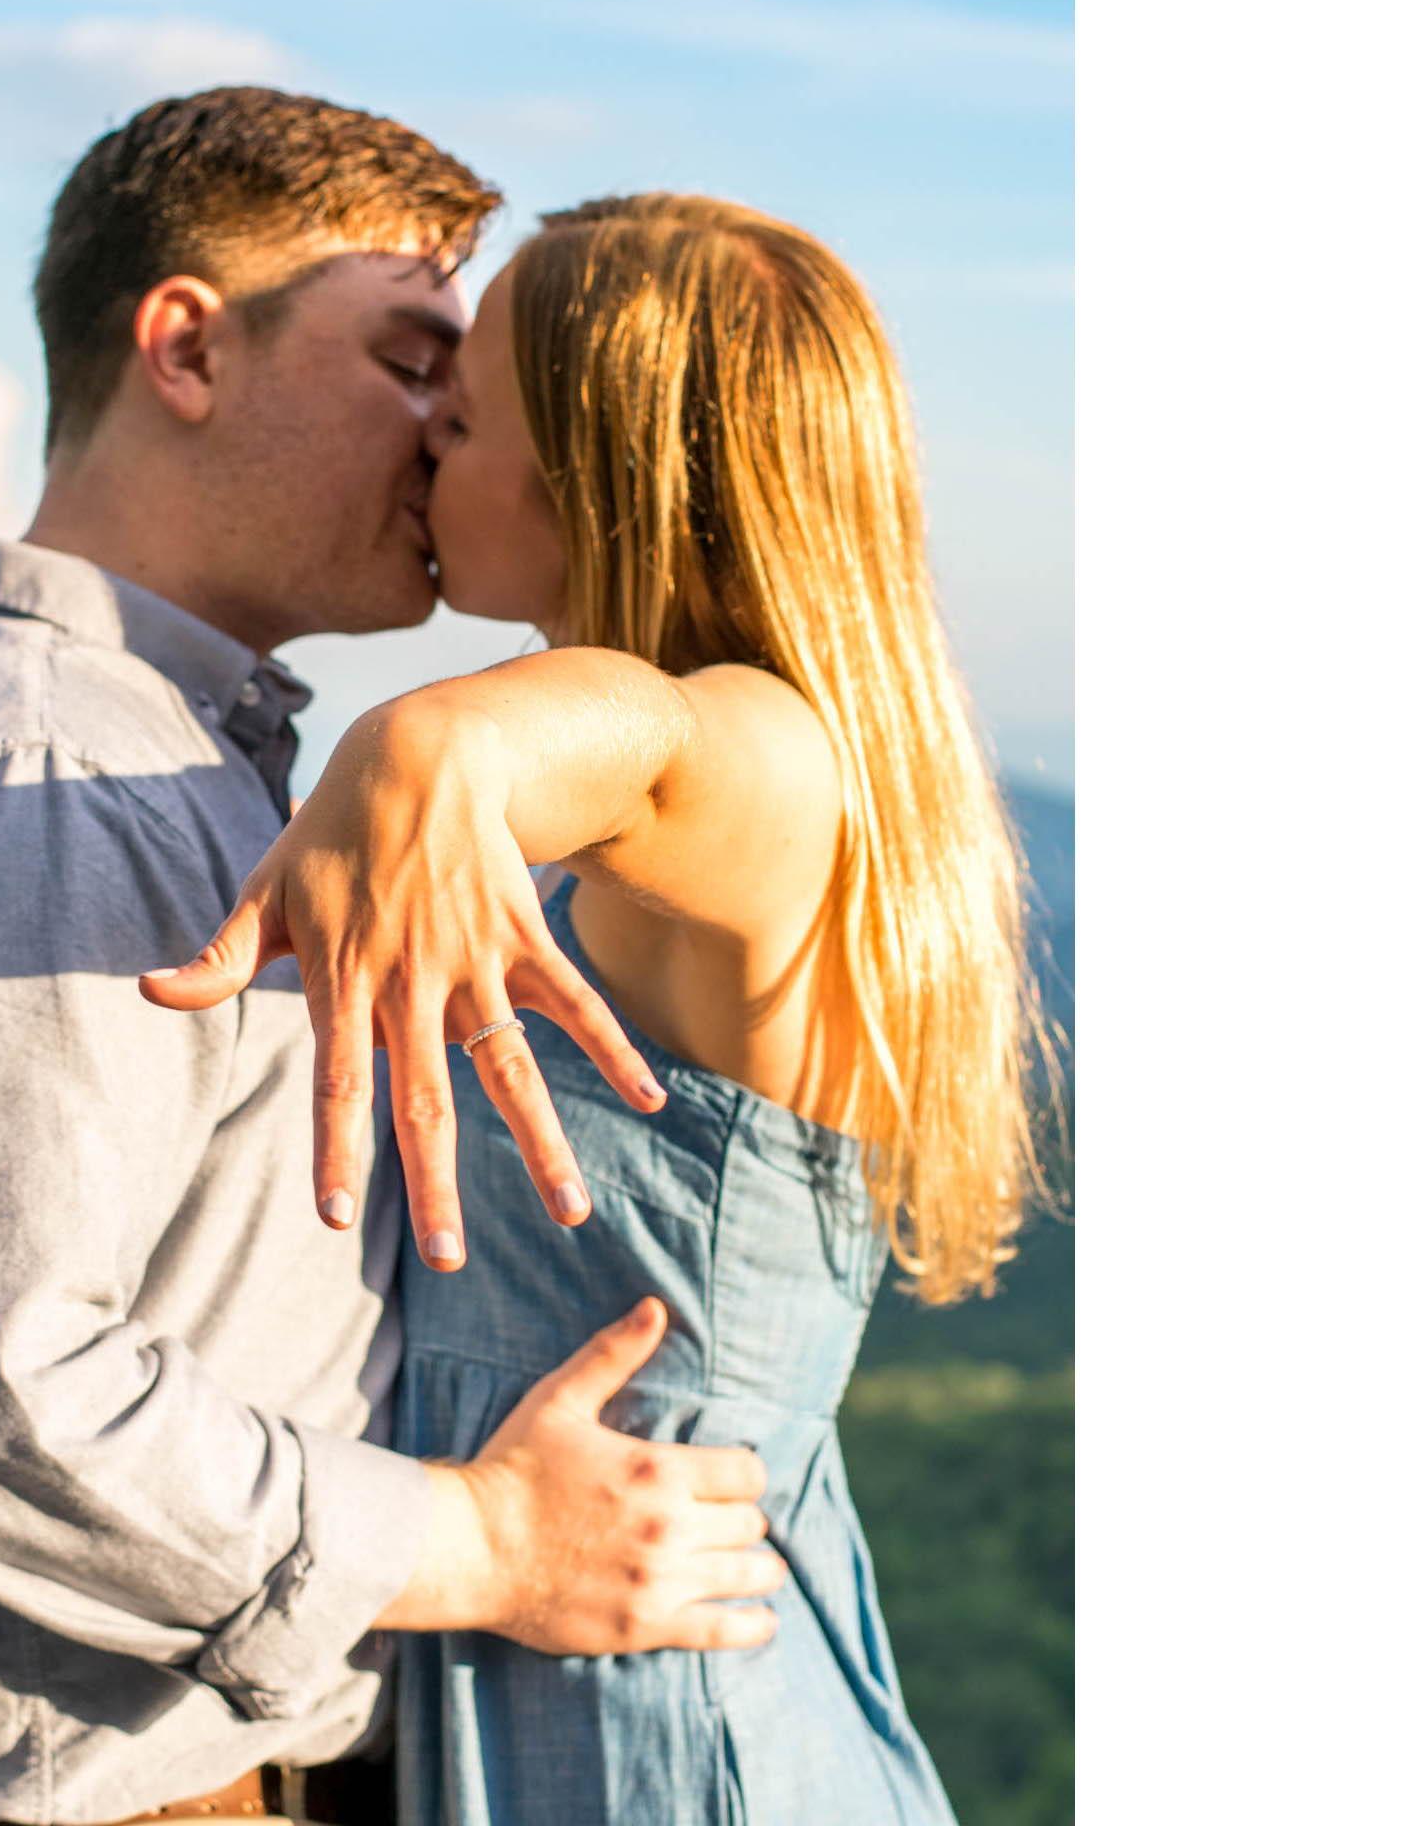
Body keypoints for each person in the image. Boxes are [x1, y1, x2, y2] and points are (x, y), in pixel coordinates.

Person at [0, 98, 787, 1826]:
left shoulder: (157, 768)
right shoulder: (35, 783)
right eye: (411, 358)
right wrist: (486, 1541)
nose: (448, 432)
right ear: (190, 348)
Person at [146, 194, 1054, 1822]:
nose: (425, 441)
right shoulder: (729, 813)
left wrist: (435, 743)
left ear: (594, 472)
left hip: (661, 1713)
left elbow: (649, 735)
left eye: (468, 414)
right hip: (602, 1649)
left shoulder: (770, 760)